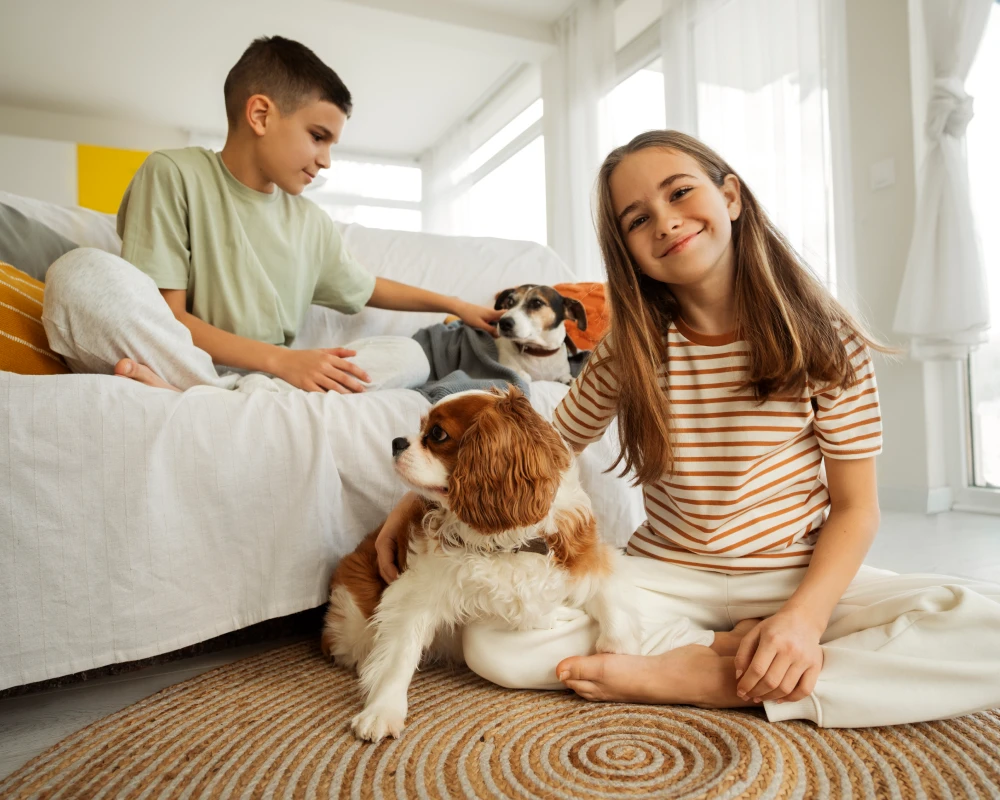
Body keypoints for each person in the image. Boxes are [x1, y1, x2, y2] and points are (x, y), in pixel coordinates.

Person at [371, 130, 1000, 728]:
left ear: (729, 197)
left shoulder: (825, 338)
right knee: (493, 646)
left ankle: (706, 677)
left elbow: (857, 509)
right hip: (664, 574)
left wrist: (804, 620)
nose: (666, 220)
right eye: (637, 219)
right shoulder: (630, 347)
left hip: (791, 573)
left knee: (984, 627)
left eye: (679, 193)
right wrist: (416, 496)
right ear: (626, 249)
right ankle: (739, 661)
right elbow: (547, 447)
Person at [42, 36, 501, 394]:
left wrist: (455, 305)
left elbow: (367, 287)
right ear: (260, 114)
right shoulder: (173, 173)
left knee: (408, 356)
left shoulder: (311, 224)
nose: (325, 161)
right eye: (318, 136)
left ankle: (205, 400)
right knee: (78, 274)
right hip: (193, 359)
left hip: (271, 383)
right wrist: (281, 361)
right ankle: (214, 395)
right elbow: (166, 318)